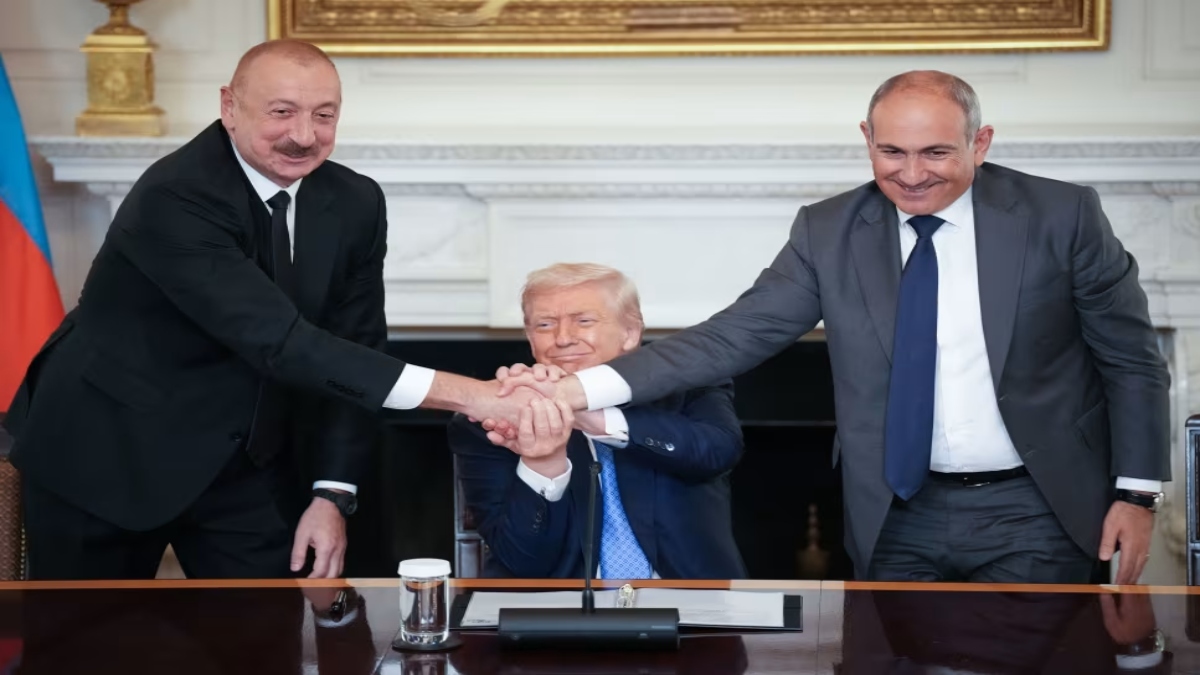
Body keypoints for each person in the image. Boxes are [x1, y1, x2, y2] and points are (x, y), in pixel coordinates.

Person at [493, 71, 1171, 585]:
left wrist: (1138, 493)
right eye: (892, 152)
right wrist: (577, 392)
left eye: (935, 152)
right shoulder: (828, 230)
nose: (911, 175)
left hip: (1038, 502)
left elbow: (1132, 361)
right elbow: (732, 336)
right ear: (867, 140)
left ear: (981, 142)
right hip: (895, 509)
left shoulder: (1062, 216)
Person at [2, 39, 540, 580]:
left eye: (323, 115)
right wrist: (476, 396)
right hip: (107, 448)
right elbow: (285, 343)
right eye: (281, 112)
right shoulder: (176, 196)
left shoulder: (355, 202)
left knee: (267, 638)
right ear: (229, 108)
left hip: (242, 460)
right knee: (86, 649)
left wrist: (332, 493)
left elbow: (354, 352)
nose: (304, 135)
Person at [450, 263, 746, 579]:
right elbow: (522, 562)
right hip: (555, 613)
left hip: (692, 606)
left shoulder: (687, 384)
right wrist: (541, 462)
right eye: (545, 324)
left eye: (584, 321)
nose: (563, 338)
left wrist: (591, 414)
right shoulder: (493, 418)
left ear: (630, 333)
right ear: (530, 338)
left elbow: (718, 451)